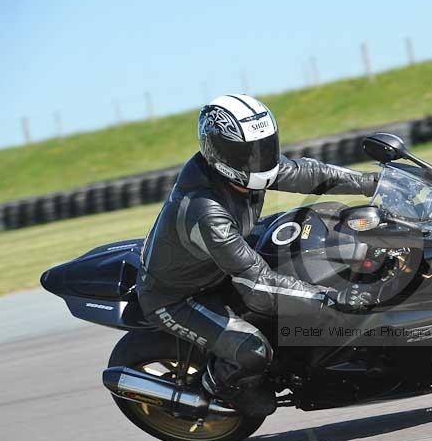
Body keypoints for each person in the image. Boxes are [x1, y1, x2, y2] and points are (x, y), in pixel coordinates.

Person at [136, 94, 380, 416]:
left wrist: (371, 182)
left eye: (265, 146)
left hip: (220, 264)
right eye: (248, 151)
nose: (260, 157)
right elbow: (259, 284)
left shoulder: (243, 170)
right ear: (220, 152)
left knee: (315, 233)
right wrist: (331, 299)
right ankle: (211, 391)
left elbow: (309, 173)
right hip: (179, 297)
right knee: (253, 351)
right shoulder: (205, 212)